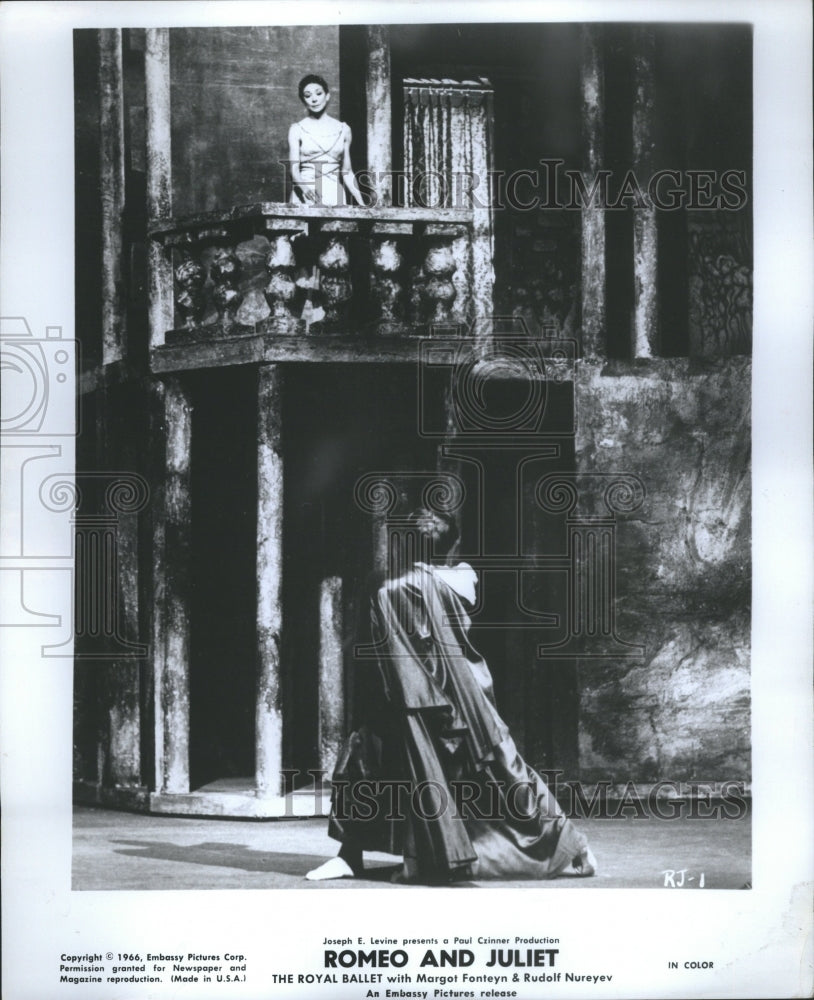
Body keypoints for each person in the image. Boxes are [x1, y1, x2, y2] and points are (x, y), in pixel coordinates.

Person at [306, 508, 596, 884]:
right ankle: (352, 856)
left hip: (432, 690)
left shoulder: (410, 583)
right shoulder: (441, 580)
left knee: (478, 768)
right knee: (381, 757)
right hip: (428, 689)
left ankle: (565, 848)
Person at [288, 74, 365, 207]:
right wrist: (306, 190)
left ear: (327, 96)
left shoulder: (344, 129)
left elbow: (347, 172)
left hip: (334, 194)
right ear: (303, 100)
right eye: (308, 96)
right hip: (306, 194)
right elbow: (294, 170)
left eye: (319, 93)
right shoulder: (296, 129)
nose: (314, 99)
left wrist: (362, 203)